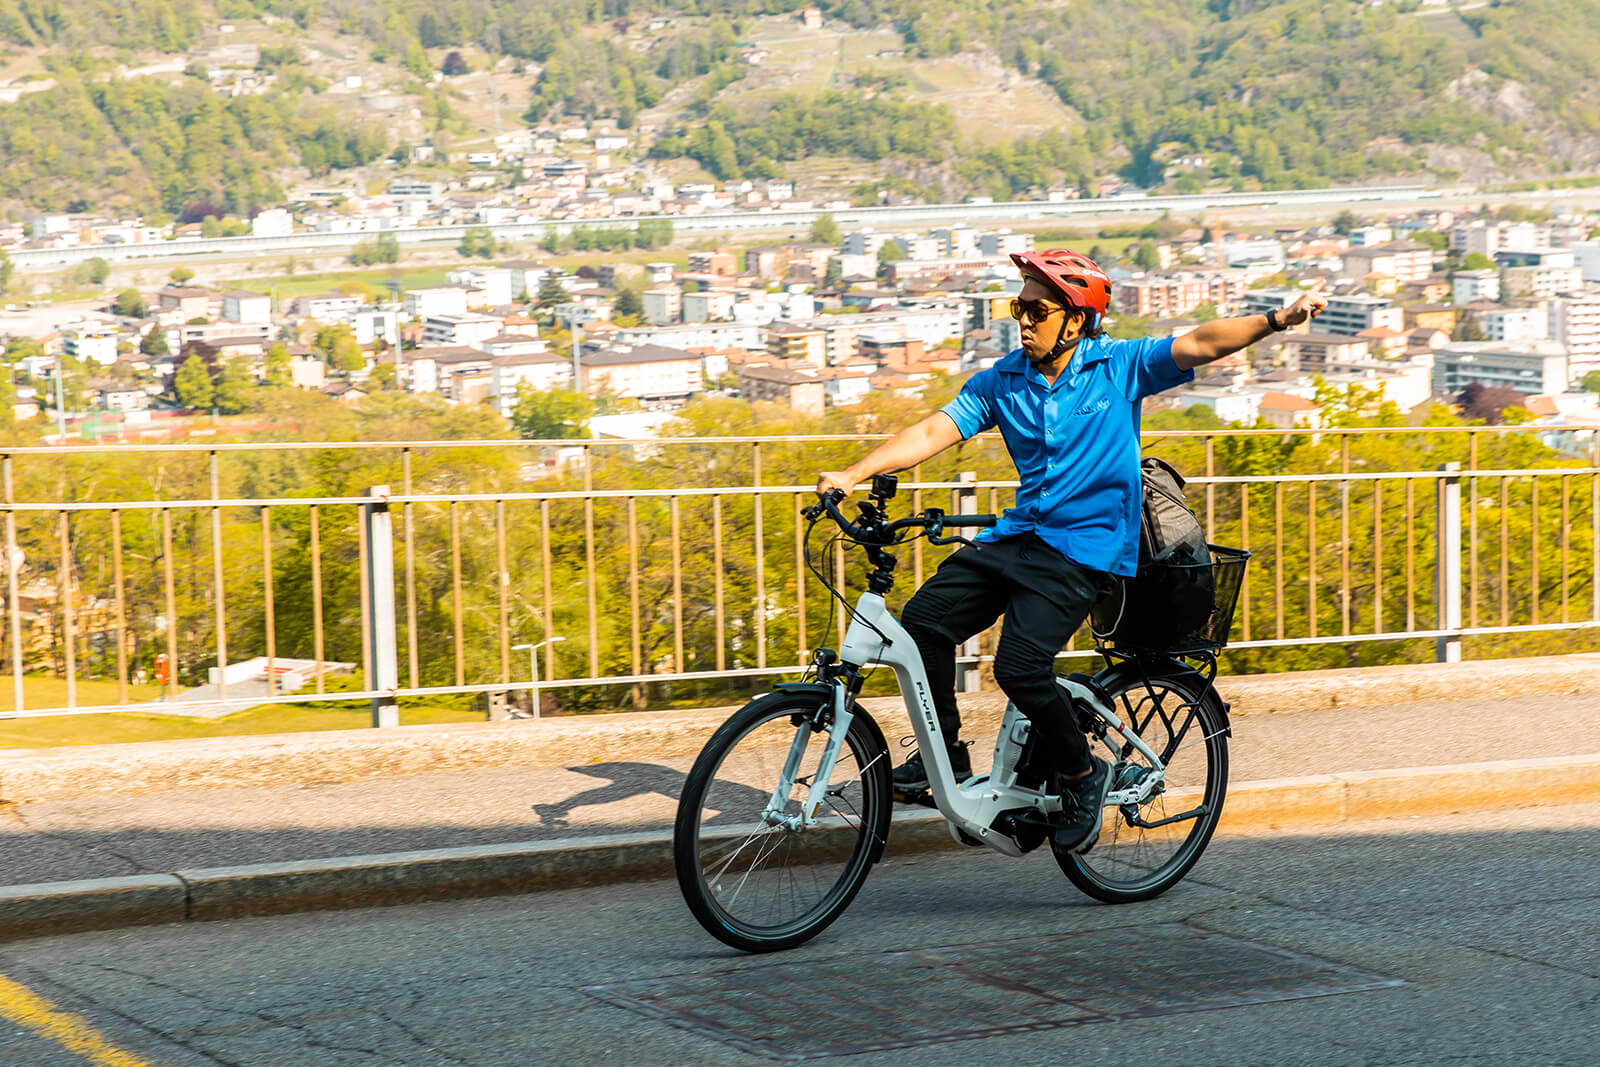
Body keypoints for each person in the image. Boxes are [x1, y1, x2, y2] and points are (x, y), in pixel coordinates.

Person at [817, 248, 1326, 852]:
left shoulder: (1118, 366)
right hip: (1018, 536)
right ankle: (945, 760)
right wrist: (853, 472)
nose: (1023, 321)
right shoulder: (1003, 380)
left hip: (1084, 550)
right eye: (1018, 308)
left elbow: (1198, 344)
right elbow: (933, 431)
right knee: (924, 623)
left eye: (1037, 309)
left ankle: (1084, 774)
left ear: (1077, 320)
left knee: (1018, 669)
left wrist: (1277, 319)